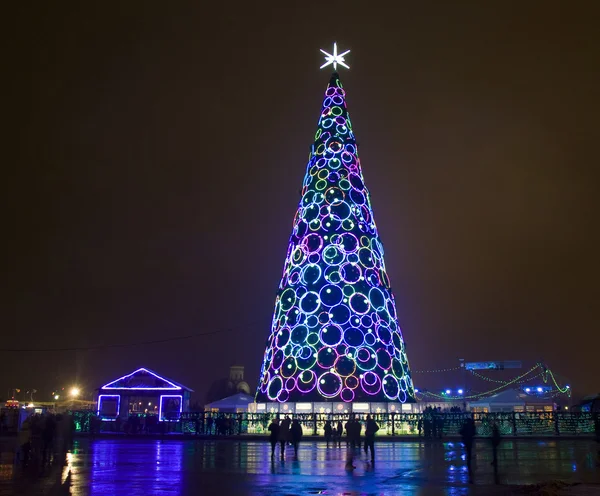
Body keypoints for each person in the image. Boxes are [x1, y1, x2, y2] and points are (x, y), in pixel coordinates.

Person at [460, 417, 476, 483]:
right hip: (470, 440)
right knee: (469, 448)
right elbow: (474, 432)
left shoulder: (465, 425)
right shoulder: (472, 426)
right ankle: (469, 457)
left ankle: (468, 459)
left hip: (465, 439)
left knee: (467, 449)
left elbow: (461, 431)